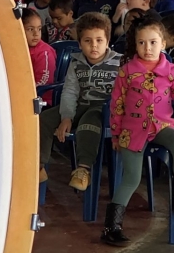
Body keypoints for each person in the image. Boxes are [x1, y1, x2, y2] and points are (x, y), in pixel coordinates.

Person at [101, 16, 174, 246]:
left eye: (152, 42)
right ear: (135, 44)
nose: (147, 48)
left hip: (161, 127)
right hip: (132, 131)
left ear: (163, 43)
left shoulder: (171, 70)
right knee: (131, 177)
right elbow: (116, 104)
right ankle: (112, 226)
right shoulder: (127, 71)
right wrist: (116, 134)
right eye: (141, 43)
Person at [38, 13, 121, 191]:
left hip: (102, 110)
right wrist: (66, 117)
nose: (94, 46)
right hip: (79, 105)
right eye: (87, 41)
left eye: (99, 40)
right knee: (43, 119)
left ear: (107, 40)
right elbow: (69, 91)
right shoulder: (76, 63)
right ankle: (39, 166)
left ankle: (83, 170)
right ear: (80, 43)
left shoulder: (119, 63)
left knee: (88, 123)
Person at [22, 8, 57, 105]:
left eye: (39, 29)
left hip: (41, 100)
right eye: (30, 29)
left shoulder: (44, 52)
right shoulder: (17, 48)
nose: (36, 34)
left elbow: (44, 81)